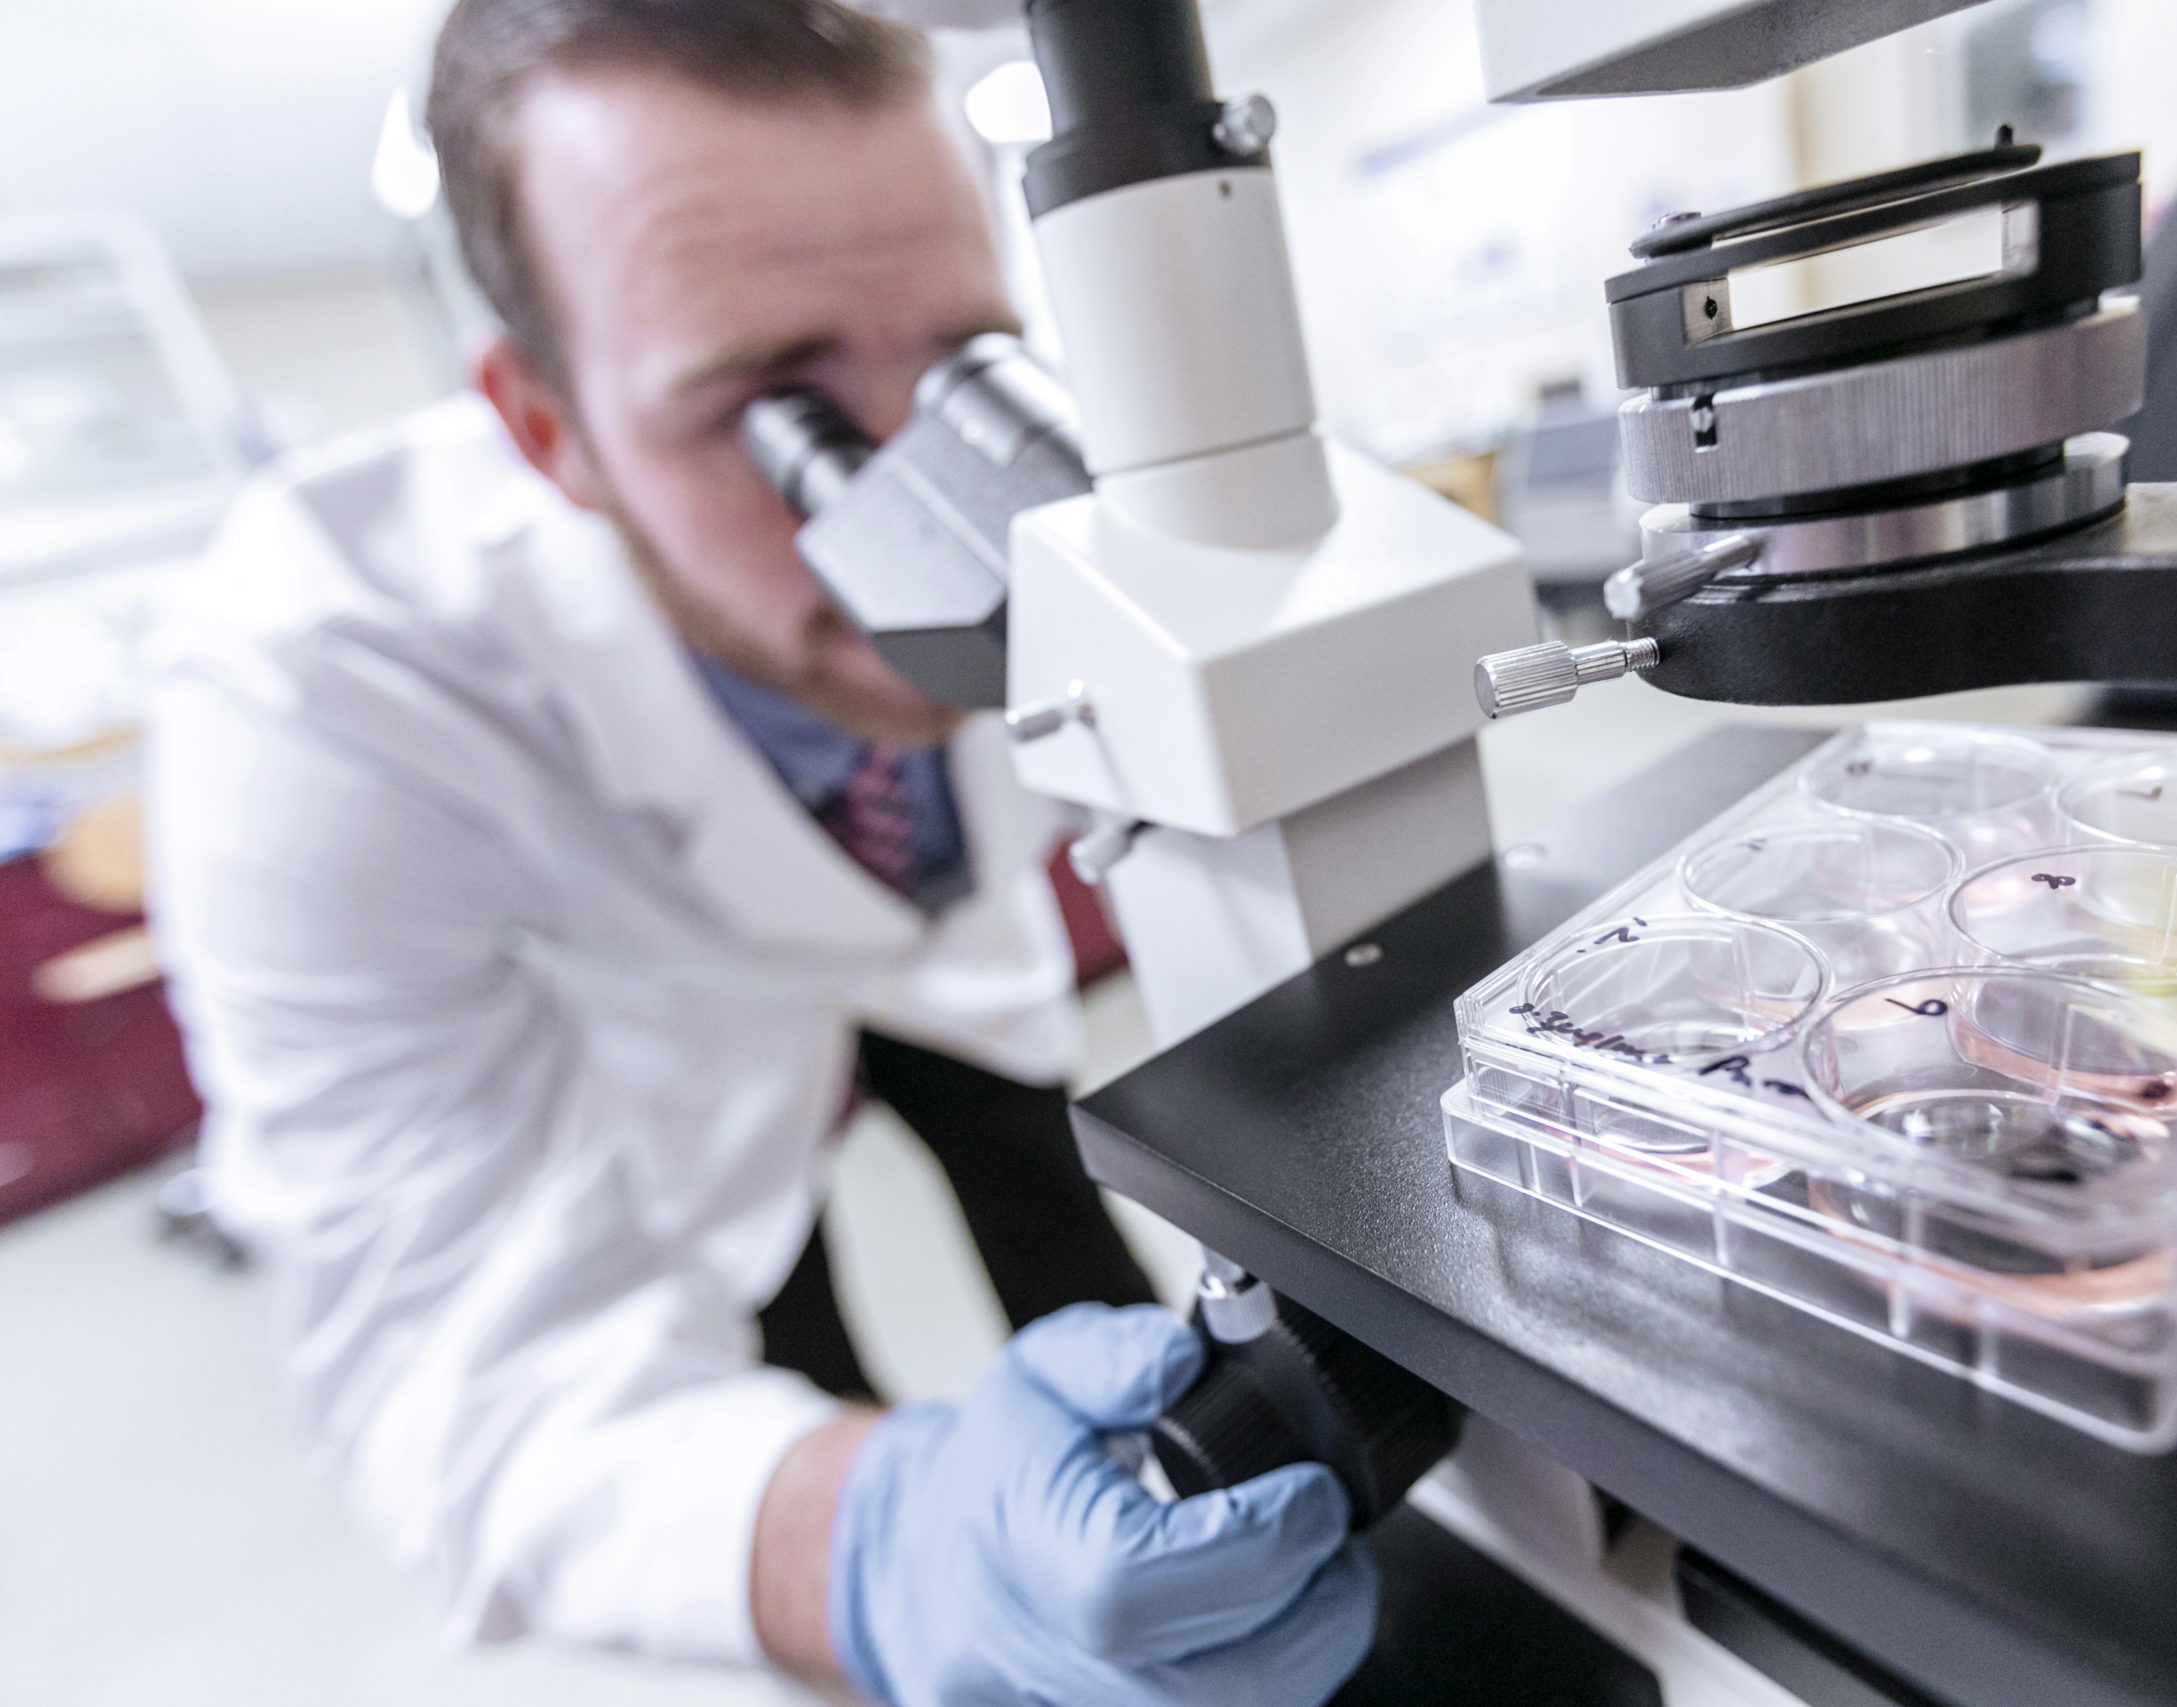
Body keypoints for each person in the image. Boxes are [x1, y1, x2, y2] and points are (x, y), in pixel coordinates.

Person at [144, 1, 1377, 1701]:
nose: (930, 518)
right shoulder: (322, 668)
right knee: (804, 1381)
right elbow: (454, 1373)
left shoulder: (1056, 473)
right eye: (770, 412)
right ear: (546, 429)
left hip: (962, 951)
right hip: (684, 1042)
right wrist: (872, 1543)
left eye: (959, 366)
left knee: (1075, 1259)